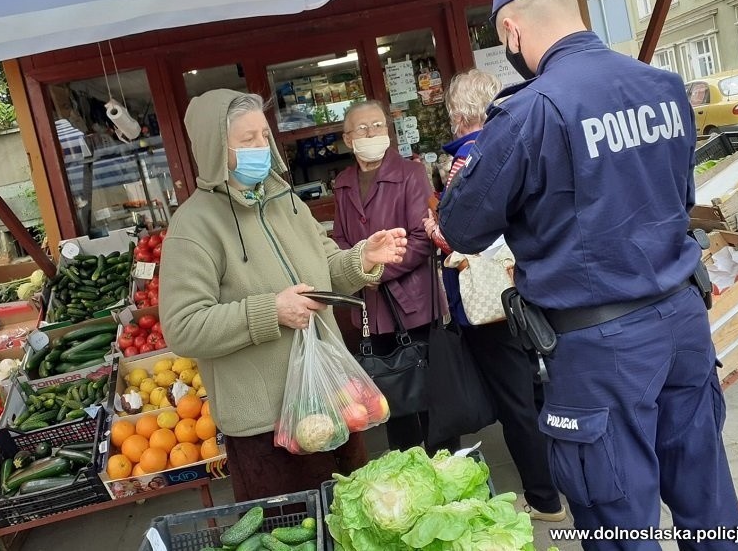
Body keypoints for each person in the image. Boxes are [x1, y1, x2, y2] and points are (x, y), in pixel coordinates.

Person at [438, 0, 738, 550]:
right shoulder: (663, 87)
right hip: (683, 324)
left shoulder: (530, 111)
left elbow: (461, 228)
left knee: (619, 523)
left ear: (511, 28)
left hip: (598, 348)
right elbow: (678, 195)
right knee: (709, 501)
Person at [159, 90, 408, 502]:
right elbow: (183, 328)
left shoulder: (286, 202)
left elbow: (324, 269)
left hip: (333, 401)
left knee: (357, 526)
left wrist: (360, 259)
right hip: (266, 429)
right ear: (214, 148)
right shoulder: (193, 227)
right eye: (246, 139)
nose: (261, 147)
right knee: (292, 536)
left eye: (263, 135)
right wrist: (270, 311)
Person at [423, 69, 565, 522]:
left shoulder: (469, 160)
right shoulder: (513, 149)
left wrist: (434, 230)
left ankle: (544, 498)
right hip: (523, 288)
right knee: (537, 391)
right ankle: (562, 477)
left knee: (515, 403)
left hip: (490, 303)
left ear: (458, 113)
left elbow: (464, 233)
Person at [332, 100, 458, 454]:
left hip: (414, 303)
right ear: (347, 139)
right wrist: (359, 267)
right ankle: (408, 470)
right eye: (363, 128)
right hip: (372, 312)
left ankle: (446, 465)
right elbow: (340, 242)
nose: (372, 133)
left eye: (377, 126)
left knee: (432, 395)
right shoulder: (342, 184)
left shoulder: (409, 173)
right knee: (393, 399)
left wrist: (376, 269)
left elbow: (421, 239)